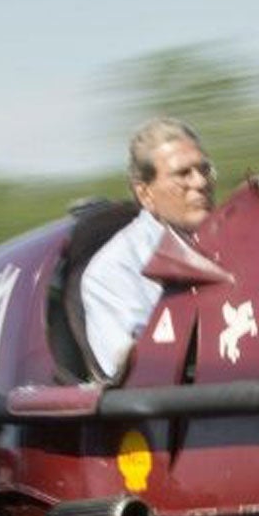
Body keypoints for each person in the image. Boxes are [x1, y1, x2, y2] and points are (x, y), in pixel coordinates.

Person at [79, 116, 218, 379]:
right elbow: (134, 373)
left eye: (204, 170)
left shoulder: (237, 244)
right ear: (145, 194)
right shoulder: (113, 270)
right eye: (183, 174)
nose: (200, 183)